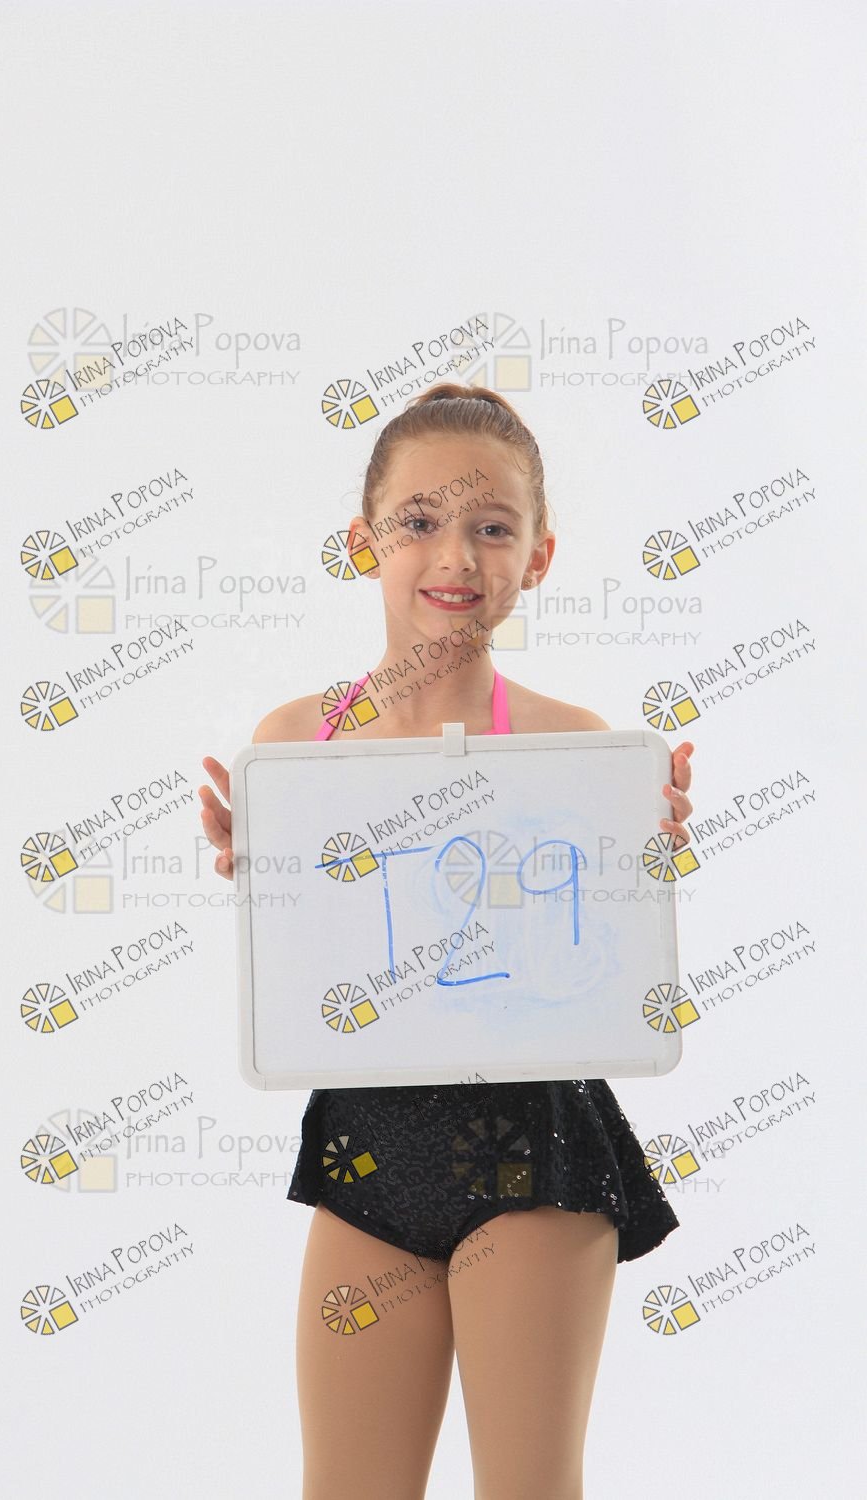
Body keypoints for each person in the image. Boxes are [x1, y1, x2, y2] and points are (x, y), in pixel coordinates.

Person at [199, 383, 695, 1500]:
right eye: (418, 521)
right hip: (367, 1149)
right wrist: (256, 875)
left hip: (536, 1150)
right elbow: (309, 967)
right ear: (363, 542)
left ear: (539, 555)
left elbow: (603, 966)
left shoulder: (579, 745)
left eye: (492, 526)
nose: (455, 555)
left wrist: (643, 854)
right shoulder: (296, 743)